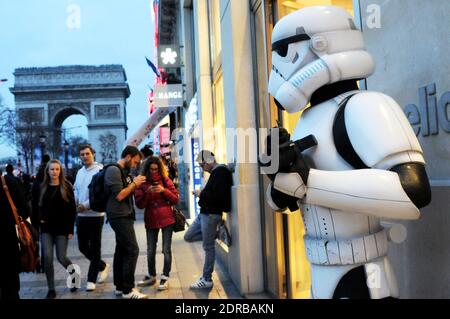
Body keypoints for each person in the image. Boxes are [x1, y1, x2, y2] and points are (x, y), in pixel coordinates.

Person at [263, 6, 431, 298]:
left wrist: (309, 182)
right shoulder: (306, 120)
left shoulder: (365, 106)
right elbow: (286, 199)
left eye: (281, 52)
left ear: (318, 44)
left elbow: (413, 191)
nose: (276, 66)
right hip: (322, 271)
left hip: (365, 273)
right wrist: (279, 182)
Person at [184, 150, 233, 289]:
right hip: (204, 214)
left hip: (211, 214)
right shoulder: (217, 172)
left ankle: (207, 279)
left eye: (202, 165)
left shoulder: (220, 172)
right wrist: (203, 194)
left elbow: (219, 197)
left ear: (209, 161)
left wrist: (201, 194)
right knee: (188, 236)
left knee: (208, 247)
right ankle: (216, 234)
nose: (201, 168)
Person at [104, 145, 148, 299]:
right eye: (135, 161)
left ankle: (120, 287)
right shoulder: (113, 170)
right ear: (128, 157)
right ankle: (128, 290)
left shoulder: (123, 171)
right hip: (118, 215)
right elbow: (120, 195)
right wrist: (135, 183)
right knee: (132, 249)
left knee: (122, 250)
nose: (136, 165)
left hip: (124, 214)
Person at [135, 156, 179, 290]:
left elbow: (176, 199)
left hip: (167, 219)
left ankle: (165, 277)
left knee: (166, 249)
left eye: (156, 169)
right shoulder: (141, 182)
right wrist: (147, 193)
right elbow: (139, 204)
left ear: (160, 169)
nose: (154, 172)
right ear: (147, 169)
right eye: (151, 169)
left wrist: (163, 190)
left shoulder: (165, 180)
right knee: (150, 250)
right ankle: (152, 275)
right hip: (151, 219)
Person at [39, 160, 77, 299]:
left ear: (60, 171)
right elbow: (36, 206)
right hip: (46, 228)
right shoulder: (42, 187)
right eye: (51, 169)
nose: (54, 172)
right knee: (48, 258)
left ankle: (74, 274)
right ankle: (51, 289)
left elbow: (72, 209)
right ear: (47, 171)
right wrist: (40, 219)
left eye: (57, 169)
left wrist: (71, 229)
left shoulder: (66, 186)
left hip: (62, 228)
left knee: (61, 257)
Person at [74, 145, 110, 292]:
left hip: (95, 214)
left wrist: (86, 205)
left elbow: (101, 194)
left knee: (95, 248)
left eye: (87, 153)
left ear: (93, 154)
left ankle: (91, 279)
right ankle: (102, 266)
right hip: (80, 215)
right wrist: (76, 201)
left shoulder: (100, 171)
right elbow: (76, 189)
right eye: (82, 154)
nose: (85, 156)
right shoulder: (79, 172)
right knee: (82, 247)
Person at [0, 169, 31, 300]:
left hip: (8, 238)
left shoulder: (8, 182)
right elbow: (25, 209)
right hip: (8, 238)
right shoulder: (8, 181)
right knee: (10, 279)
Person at [31, 154, 50, 273]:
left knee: (36, 238)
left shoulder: (37, 178)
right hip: (45, 213)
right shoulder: (48, 178)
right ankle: (43, 262)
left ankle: (37, 262)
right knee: (44, 239)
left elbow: (32, 198)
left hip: (35, 212)